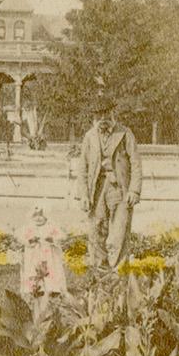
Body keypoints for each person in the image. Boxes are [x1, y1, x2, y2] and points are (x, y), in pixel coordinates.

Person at [77, 96, 142, 270]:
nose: (102, 119)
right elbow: (82, 166)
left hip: (119, 188)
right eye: (98, 115)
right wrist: (83, 194)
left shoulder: (125, 134)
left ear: (112, 113)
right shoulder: (89, 137)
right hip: (97, 189)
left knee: (119, 230)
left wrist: (134, 190)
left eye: (106, 113)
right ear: (94, 117)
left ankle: (119, 273)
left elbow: (136, 163)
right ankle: (100, 271)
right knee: (96, 228)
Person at [16, 201, 68, 303]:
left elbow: (62, 236)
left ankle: (53, 289)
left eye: (41, 216)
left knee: (51, 270)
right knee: (33, 270)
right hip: (34, 255)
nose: (38, 218)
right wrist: (30, 240)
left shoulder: (51, 226)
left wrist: (52, 239)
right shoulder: (28, 227)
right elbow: (20, 238)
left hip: (49, 255)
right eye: (35, 216)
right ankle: (34, 290)